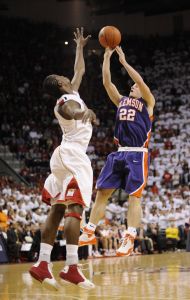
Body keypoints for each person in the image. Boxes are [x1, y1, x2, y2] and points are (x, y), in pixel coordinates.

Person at [29, 28, 96, 290]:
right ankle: (71, 267)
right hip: (72, 156)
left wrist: (79, 47)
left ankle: (42, 263)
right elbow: (68, 110)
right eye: (60, 76)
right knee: (75, 208)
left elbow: (79, 71)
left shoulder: (73, 92)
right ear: (59, 84)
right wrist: (84, 114)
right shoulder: (64, 101)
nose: (64, 74)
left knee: (57, 208)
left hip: (62, 156)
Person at [79, 46, 155, 256]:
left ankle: (129, 238)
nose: (133, 86)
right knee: (102, 192)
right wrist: (105, 57)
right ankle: (90, 230)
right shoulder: (121, 101)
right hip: (119, 152)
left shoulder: (148, 103)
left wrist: (123, 62)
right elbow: (106, 82)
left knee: (134, 196)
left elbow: (140, 81)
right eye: (131, 85)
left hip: (137, 153)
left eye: (136, 86)